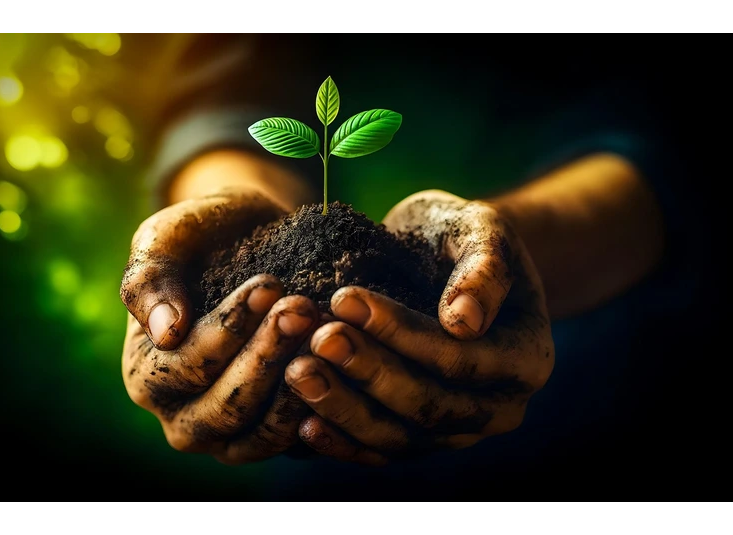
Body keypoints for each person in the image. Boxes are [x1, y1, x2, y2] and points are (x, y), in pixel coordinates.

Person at [118, 32, 709, 500]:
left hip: (616, 382)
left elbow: (676, 135)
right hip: (321, 454)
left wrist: (500, 255)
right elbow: (229, 85)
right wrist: (222, 212)